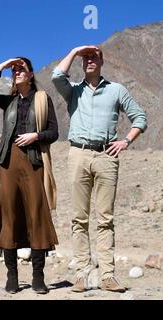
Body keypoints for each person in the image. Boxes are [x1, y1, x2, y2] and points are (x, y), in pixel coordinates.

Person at [51, 46, 147, 293]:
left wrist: (125, 141)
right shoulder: (73, 92)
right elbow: (56, 76)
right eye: (86, 58)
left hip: (106, 156)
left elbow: (140, 118)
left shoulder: (116, 90)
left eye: (94, 57)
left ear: (102, 61)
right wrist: (74, 51)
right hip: (78, 154)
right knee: (78, 219)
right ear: (81, 64)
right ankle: (82, 275)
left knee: (105, 219)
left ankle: (107, 276)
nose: (90, 61)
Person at [0, 57, 59, 294]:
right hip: (9, 162)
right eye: (14, 70)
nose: (16, 72)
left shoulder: (43, 99)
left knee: (37, 214)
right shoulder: (9, 102)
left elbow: (54, 132)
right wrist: (1, 67)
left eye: (21, 69)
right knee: (10, 215)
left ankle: (38, 277)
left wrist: (35, 136)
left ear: (31, 73)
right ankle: (12, 276)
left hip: (34, 160)